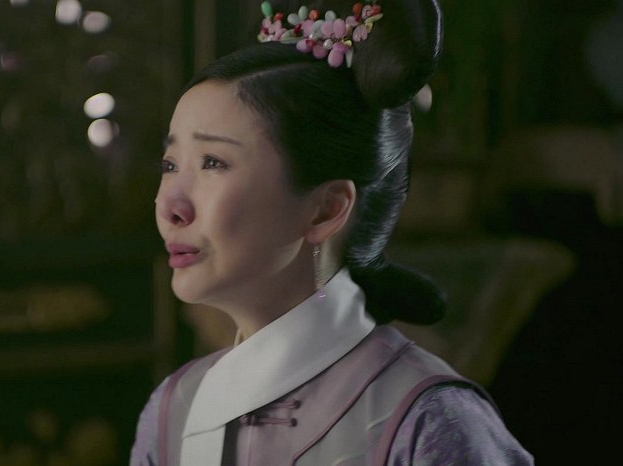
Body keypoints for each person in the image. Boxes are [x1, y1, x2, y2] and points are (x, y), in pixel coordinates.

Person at [131, 0, 534, 464]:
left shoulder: (428, 420)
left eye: (213, 163)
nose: (169, 205)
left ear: (327, 209)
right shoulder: (173, 411)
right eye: (170, 164)